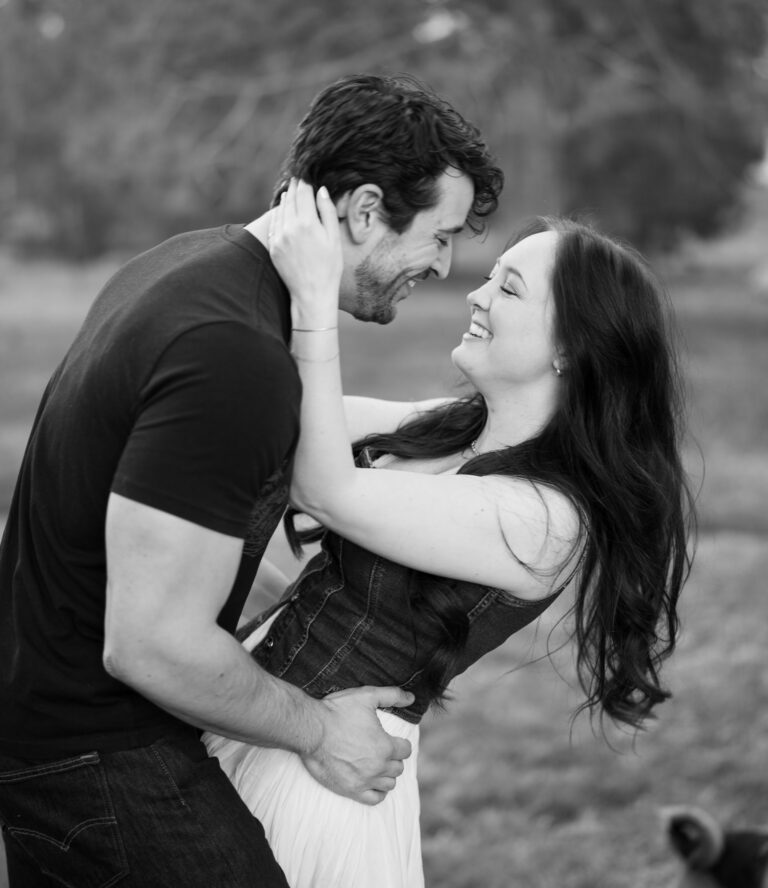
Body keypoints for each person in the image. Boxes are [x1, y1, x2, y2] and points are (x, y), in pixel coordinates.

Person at [0, 76, 503, 887]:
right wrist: (317, 731)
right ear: (367, 210)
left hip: (49, 733)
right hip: (97, 754)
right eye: (439, 235)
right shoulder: (232, 356)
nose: (444, 265)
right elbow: (151, 642)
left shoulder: (190, 263)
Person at [204, 180, 697, 888]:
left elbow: (326, 489)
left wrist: (316, 305)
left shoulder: (547, 518)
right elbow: (280, 412)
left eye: (510, 288)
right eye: (490, 279)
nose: (476, 295)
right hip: (274, 721)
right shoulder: (452, 425)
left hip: (323, 784)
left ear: (572, 348)